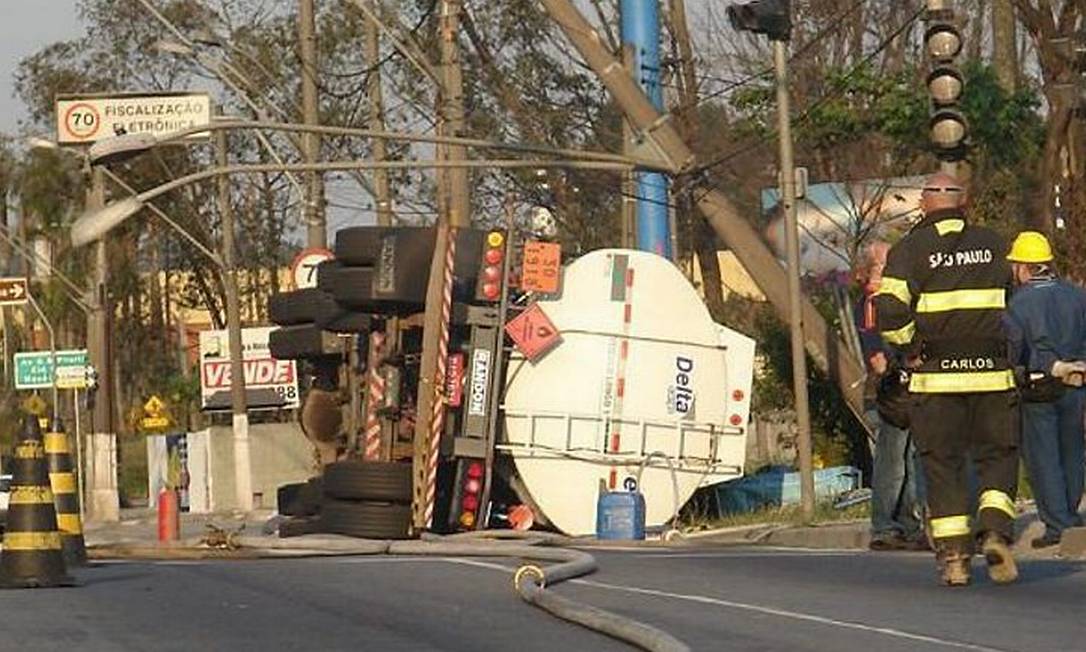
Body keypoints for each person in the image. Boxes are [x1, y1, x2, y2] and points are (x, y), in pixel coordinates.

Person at [874, 171, 1019, 587]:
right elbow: (1009, 299)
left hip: (936, 380)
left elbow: (890, 312)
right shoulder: (994, 244)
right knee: (998, 456)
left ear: (924, 204)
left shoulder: (908, 251)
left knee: (943, 466)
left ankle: (955, 558)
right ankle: (994, 530)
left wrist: (910, 347)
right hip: (991, 376)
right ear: (965, 202)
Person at [1003, 231, 1086, 548]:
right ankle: (1071, 513)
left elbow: (1016, 348)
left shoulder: (1018, 303)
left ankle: (1058, 524)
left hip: (1039, 387)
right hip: (1076, 383)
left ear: (1023, 266)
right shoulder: (1077, 295)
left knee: (1043, 457)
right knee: (1072, 451)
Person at [854, 242, 925, 550]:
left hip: (907, 391)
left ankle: (908, 525)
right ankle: (884, 525)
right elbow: (878, 360)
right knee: (892, 460)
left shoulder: (897, 300)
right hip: (889, 395)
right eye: (886, 264)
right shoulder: (873, 303)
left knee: (910, 458)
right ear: (872, 271)